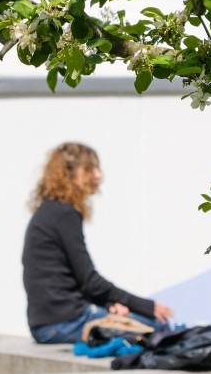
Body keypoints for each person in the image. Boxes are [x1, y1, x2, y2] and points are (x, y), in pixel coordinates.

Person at [22, 142, 174, 344]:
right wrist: (147, 306)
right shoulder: (63, 214)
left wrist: (109, 303)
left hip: (51, 323)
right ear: (70, 174)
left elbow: (75, 280)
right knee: (158, 326)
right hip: (64, 323)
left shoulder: (51, 211)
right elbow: (89, 281)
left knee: (148, 326)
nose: (98, 175)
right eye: (90, 168)